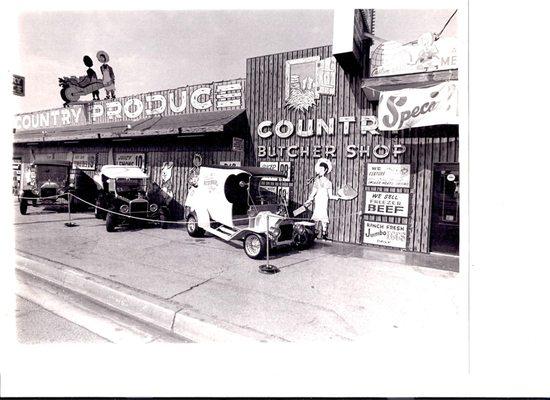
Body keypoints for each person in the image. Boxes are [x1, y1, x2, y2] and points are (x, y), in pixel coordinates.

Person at [304, 158, 341, 240]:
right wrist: (309, 200)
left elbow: (330, 196)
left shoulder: (329, 183)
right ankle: (315, 234)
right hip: (318, 201)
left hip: (324, 201)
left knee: (324, 217)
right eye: (319, 169)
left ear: (325, 170)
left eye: (322, 169)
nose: (320, 170)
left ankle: (324, 235)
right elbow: (313, 193)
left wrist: (336, 197)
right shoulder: (316, 181)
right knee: (316, 217)